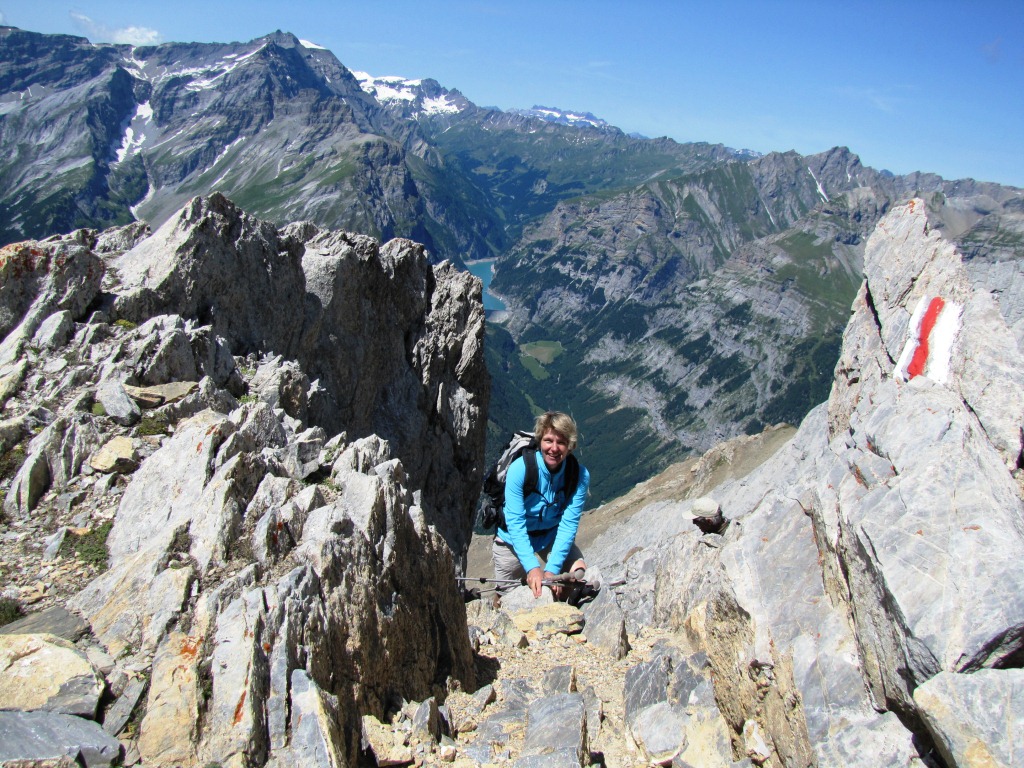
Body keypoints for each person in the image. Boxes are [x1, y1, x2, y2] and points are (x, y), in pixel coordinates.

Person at [493, 411, 590, 599]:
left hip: (550, 535)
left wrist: (551, 570)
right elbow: (515, 521)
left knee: (578, 574)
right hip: (512, 539)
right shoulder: (520, 469)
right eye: (548, 441)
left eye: (561, 442)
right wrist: (532, 567)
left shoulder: (578, 475)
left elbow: (569, 524)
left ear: (570, 446)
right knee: (508, 598)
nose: (554, 448)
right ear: (539, 441)